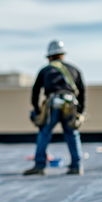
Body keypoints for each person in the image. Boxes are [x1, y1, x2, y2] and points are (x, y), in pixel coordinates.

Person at [24, 40, 86, 176]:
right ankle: (77, 166)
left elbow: (35, 91)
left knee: (44, 133)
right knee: (72, 133)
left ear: (50, 57)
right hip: (70, 104)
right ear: (62, 55)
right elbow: (82, 92)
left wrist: (37, 110)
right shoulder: (74, 70)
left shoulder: (45, 70)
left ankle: (39, 166)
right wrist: (80, 112)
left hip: (52, 104)